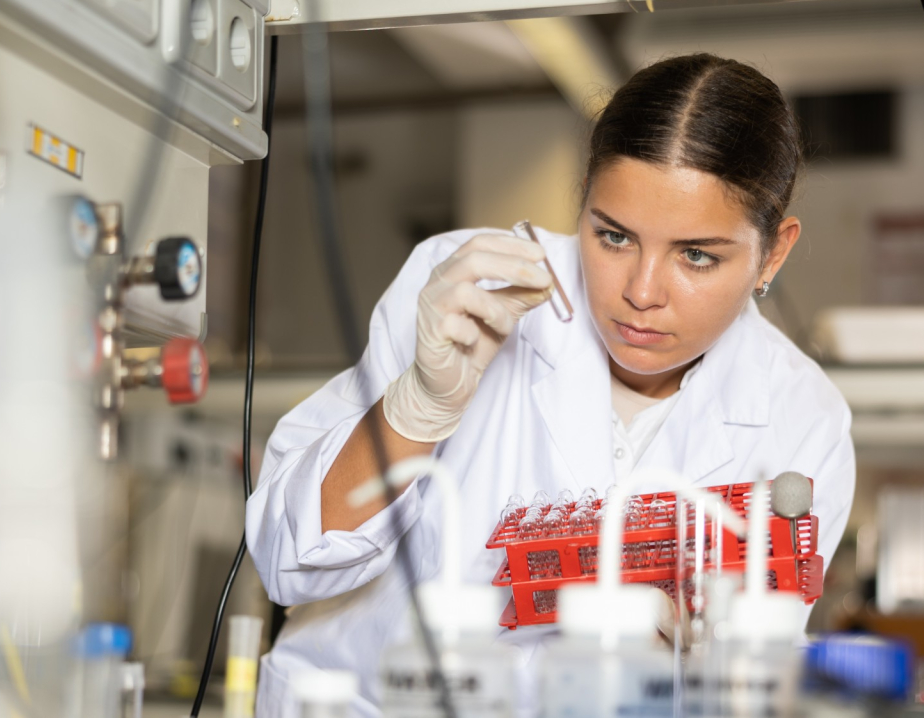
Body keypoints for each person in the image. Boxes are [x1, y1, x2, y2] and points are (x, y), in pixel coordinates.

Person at [246, 53, 855, 717]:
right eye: (613, 236)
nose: (642, 291)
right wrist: (415, 409)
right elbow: (287, 561)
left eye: (696, 255)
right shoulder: (467, 290)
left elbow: (748, 686)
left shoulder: (801, 418)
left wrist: (706, 656)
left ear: (773, 253)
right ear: (584, 199)